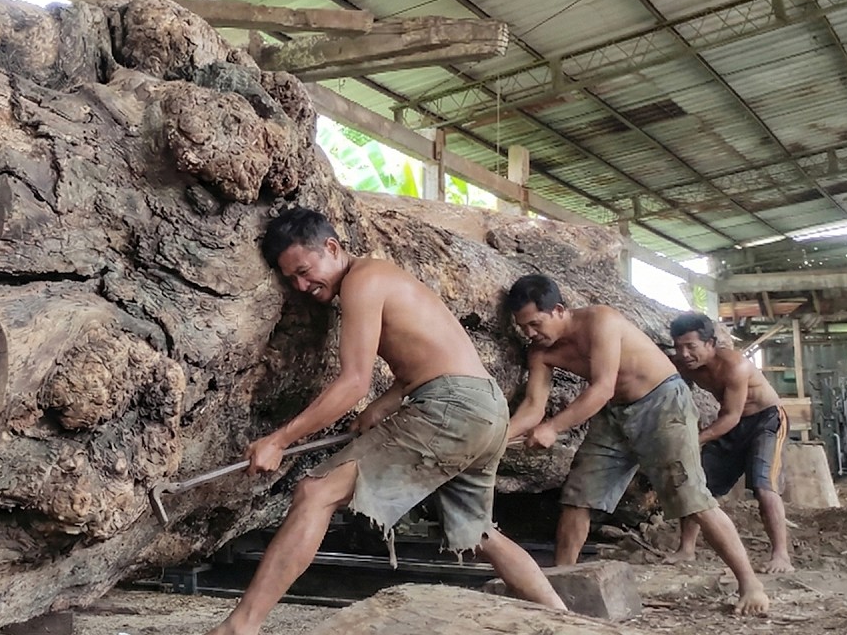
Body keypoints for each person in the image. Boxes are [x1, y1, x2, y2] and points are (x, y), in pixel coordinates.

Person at [206, 208, 565, 635]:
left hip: (450, 406)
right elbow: (426, 358)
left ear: (333, 248)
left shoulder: (363, 280)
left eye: (305, 270)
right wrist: (386, 405)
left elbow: (353, 383)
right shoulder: (383, 277)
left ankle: (239, 628)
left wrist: (279, 440)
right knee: (478, 534)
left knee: (316, 492)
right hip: (484, 406)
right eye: (291, 280)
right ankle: (565, 619)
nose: (302, 285)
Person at [504, 274, 769, 616]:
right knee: (578, 498)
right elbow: (533, 408)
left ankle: (750, 583)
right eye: (523, 327)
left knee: (693, 498)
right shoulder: (539, 352)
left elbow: (601, 387)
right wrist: (499, 437)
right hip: (615, 412)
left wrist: (553, 428)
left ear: (558, 309)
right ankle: (559, 589)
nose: (530, 333)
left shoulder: (601, 320)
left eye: (535, 324)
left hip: (662, 403)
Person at [666, 313, 793, 573]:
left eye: (691, 346)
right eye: (679, 347)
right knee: (698, 481)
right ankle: (686, 548)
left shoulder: (735, 366)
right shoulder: (682, 365)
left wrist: (696, 439)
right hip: (731, 423)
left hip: (765, 421)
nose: (685, 354)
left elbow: (731, 416)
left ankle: (781, 555)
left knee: (763, 486)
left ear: (710, 343)